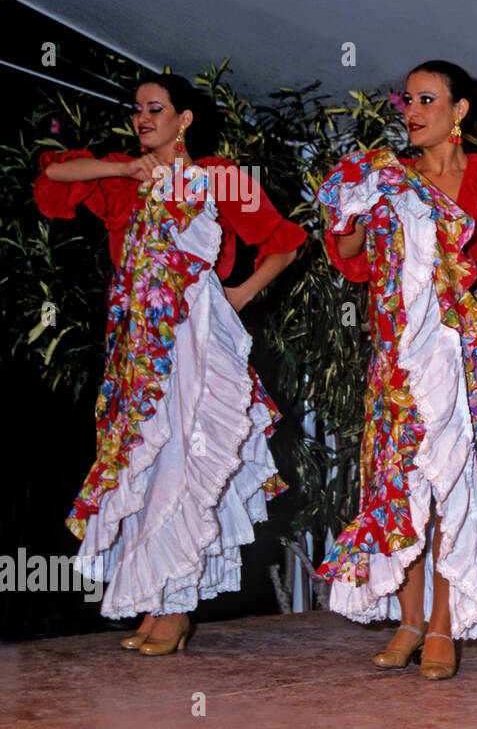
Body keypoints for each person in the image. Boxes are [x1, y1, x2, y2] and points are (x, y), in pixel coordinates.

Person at [316, 60, 477, 679]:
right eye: (406, 100)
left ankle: (442, 624)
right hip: (401, 357)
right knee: (401, 486)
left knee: (453, 488)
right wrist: (348, 210)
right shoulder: (389, 180)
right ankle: (408, 623)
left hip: (472, 360)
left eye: (427, 99)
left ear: (459, 111)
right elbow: (349, 257)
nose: (411, 111)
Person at [34, 73, 305, 654]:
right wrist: (122, 170)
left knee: (185, 455)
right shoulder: (125, 180)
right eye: (136, 109)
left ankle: (177, 606)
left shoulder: (219, 178)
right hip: (135, 345)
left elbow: (286, 241)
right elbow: (53, 175)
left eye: (155, 108)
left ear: (185, 119)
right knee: (143, 465)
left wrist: (237, 295)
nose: (141, 118)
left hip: (193, 338)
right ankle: (154, 598)